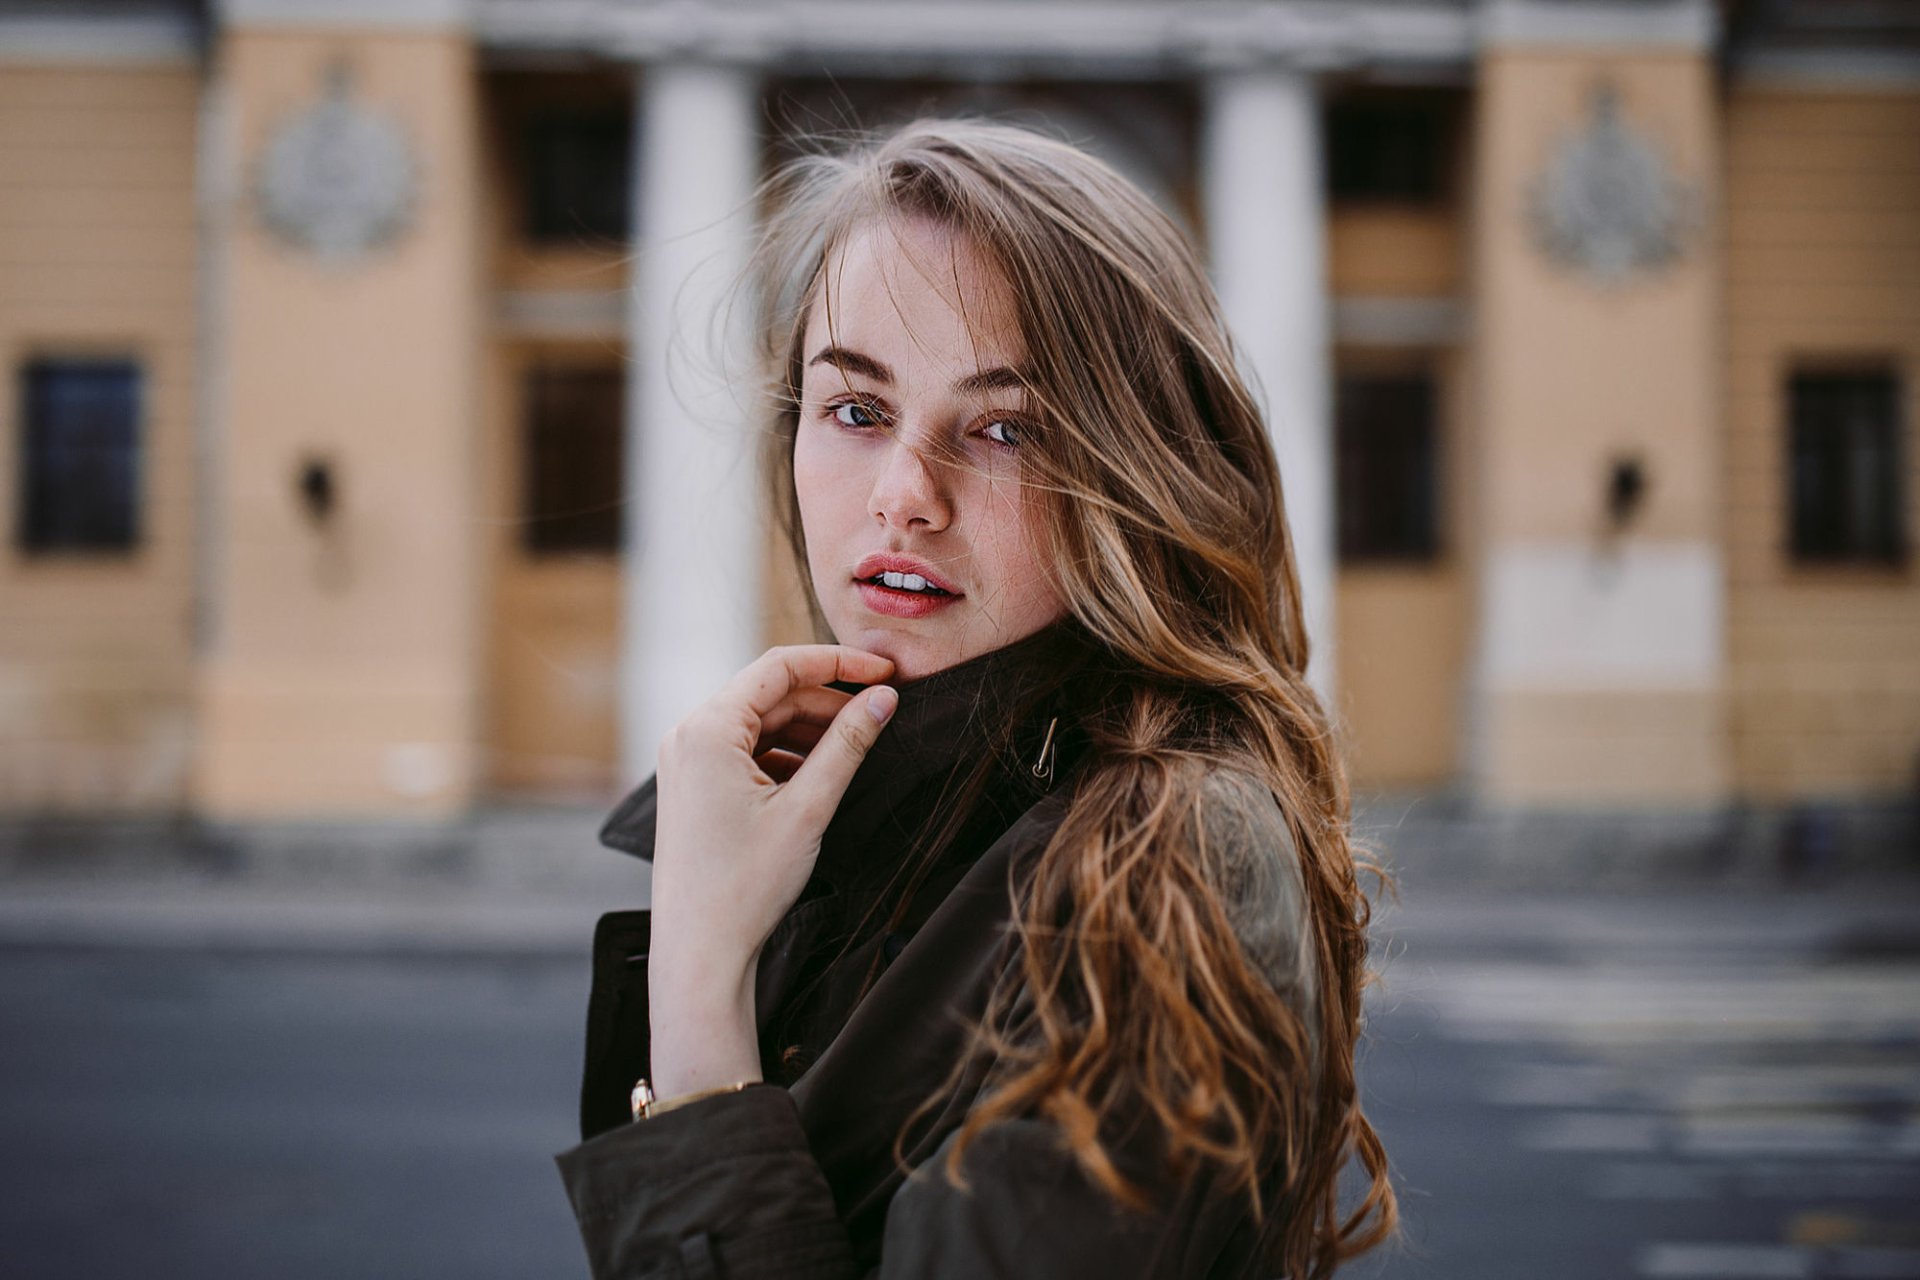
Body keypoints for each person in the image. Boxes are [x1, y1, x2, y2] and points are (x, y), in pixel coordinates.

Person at [554, 118, 1396, 1279]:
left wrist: (701, 1004)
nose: (904, 494)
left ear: (1136, 465)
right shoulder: (882, 794)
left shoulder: (1161, 864)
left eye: (1003, 428)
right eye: (856, 409)